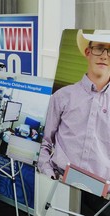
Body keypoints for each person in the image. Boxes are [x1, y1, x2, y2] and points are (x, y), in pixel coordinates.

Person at [37, 29, 110, 215]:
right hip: (60, 185)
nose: (104, 56)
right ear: (87, 52)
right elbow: (44, 142)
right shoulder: (62, 97)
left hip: (102, 196)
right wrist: (49, 174)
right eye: (99, 48)